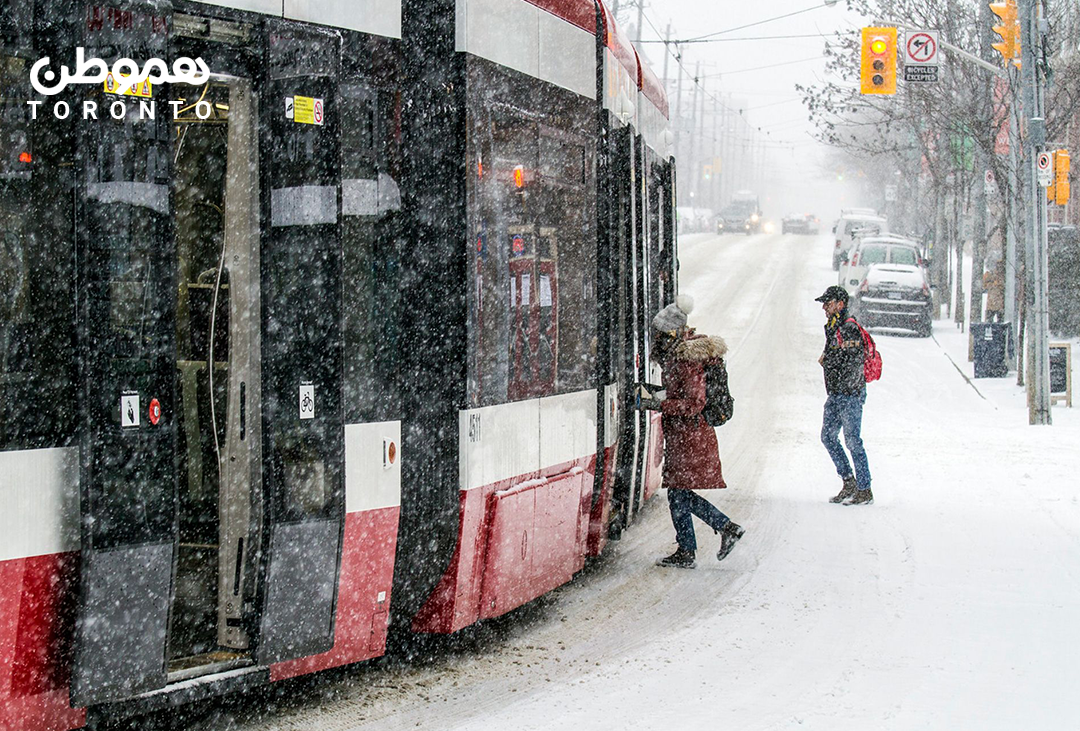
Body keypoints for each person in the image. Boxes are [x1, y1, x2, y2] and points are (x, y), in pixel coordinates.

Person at [641, 296, 744, 569]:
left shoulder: (686, 359)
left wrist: (659, 403)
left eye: (661, 335)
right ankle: (694, 546)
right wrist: (656, 394)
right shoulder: (680, 356)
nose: (657, 340)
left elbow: (694, 403)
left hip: (690, 437)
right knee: (678, 493)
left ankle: (721, 530)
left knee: (678, 493)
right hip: (684, 436)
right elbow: (681, 393)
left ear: (672, 334)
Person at [816, 285, 872, 505]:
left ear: (840, 304)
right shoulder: (834, 326)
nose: (824, 308)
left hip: (850, 393)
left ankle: (864, 489)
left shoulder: (849, 328)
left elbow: (851, 361)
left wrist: (828, 361)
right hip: (837, 393)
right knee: (828, 437)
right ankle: (848, 482)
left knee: (852, 441)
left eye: (827, 303)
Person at [983, 255, 1006, 323]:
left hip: (997, 303)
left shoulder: (1001, 276)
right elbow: (984, 285)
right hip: (993, 303)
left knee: (997, 321)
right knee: (990, 321)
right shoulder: (989, 275)